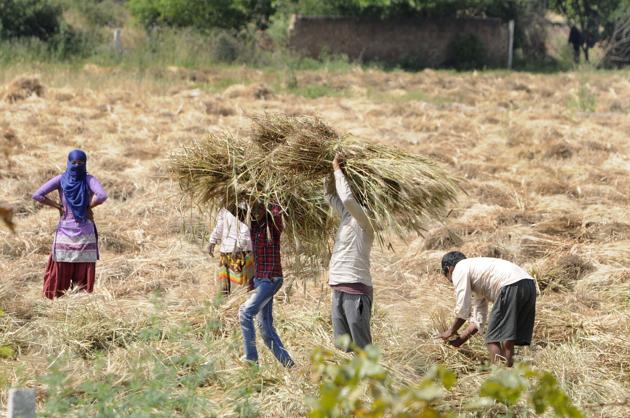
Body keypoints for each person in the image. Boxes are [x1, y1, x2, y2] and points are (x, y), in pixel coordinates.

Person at [32, 149, 108, 299]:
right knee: (83, 269)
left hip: (65, 232)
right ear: (68, 162)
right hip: (85, 232)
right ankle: (80, 300)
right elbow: (102, 195)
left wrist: (57, 206)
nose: (76, 165)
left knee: (61, 265)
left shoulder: (61, 179)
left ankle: (56, 298)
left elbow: (37, 195)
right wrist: (88, 207)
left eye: (80, 163)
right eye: (74, 163)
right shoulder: (88, 179)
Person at [439, 251, 537, 367]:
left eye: (449, 278)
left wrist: (451, 330)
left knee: (492, 338)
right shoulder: (478, 274)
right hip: (529, 285)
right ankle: (510, 373)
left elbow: (463, 308)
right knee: (507, 338)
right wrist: (461, 339)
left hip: (510, 285)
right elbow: (479, 319)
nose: (452, 281)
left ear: (449, 269)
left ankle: (499, 376)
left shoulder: (460, 268)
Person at [324, 153, 375, 350]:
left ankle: (372, 379)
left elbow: (346, 198)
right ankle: (348, 380)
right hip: (338, 287)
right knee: (342, 346)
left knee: (361, 347)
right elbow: (330, 195)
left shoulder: (367, 220)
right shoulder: (347, 215)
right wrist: (327, 173)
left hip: (356, 290)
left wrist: (337, 170)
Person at [238, 202, 294, 367]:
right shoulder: (254, 227)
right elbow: (234, 209)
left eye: (259, 207)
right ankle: (289, 365)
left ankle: (251, 358)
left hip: (271, 280)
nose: (256, 211)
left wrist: (267, 193)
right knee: (265, 328)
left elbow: (277, 210)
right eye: (254, 208)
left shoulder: (273, 226)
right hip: (260, 280)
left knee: (245, 313)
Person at [208, 203, 253, 296]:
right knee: (224, 289)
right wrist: (212, 241)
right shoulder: (225, 203)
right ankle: (225, 309)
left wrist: (239, 246)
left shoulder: (244, 202)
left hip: (241, 252)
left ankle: (240, 309)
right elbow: (220, 224)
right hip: (225, 251)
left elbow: (246, 225)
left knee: (239, 291)